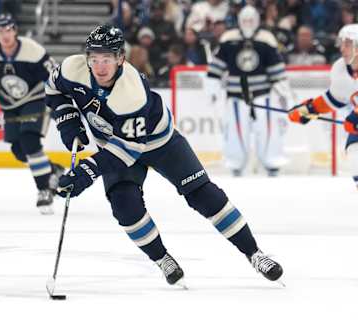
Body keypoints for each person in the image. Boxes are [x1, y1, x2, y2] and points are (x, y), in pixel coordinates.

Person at [45, 24, 283, 286]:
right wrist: (68, 123)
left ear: (121, 58)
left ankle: (255, 253)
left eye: (107, 59)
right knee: (125, 207)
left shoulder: (131, 93)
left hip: (159, 143)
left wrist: (85, 172)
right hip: (114, 145)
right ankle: (162, 259)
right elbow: (54, 89)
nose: (100, 67)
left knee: (204, 196)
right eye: (94, 59)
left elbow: (126, 151)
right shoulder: (72, 68)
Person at [0, 14, 63, 214]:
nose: (5, 35)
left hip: (36, 100)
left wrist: (61, 103)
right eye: (0, 31)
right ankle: (52, 170)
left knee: (29, 140)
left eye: (8, 30)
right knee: (18, 150)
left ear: (15, 30)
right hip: (9, 105)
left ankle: (44, 190)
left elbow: (55, 77)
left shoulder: (33, 51)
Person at [207, 5, 291, 177]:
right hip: (236, 96)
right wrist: (212, 88)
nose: (248, 23)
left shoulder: (266, 39)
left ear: (257, 21)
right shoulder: (228, 39)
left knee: (267, 129)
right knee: (236, 131)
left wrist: (283, 92)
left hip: (262, 94)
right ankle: (236, 163)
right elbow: (216, 69)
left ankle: (271, 162)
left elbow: (277, 70)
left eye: (251, 20)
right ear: (239, 21)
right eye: (244, 20)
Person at [288, 24, 358, 190]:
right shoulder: (341, 70)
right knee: (355, 154)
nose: (342, 49)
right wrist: (308, 110)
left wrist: (355, 118)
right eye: (342, 43)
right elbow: (334, 99)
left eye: (347, 44)